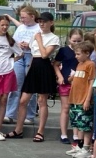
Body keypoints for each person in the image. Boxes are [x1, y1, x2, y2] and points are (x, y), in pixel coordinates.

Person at [6, 12, 60, 142]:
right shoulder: (35, 35)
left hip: (44, 67)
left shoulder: (54, 38)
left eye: (44, 21)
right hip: (33, 65)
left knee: (42, 101)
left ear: (51, 23)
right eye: (40, 21)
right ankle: (18, 130)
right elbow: (31, 51)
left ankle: (40, 131)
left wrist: (39, 39)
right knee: (23, 100)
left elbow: (44, 55)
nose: (42, 24)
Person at [4, 6, 40, 124]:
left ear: (32, 17)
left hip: (32, 56)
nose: (22, 19)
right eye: (21, 17)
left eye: (24, 17)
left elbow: (41, 44)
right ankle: (10, 114)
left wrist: (30, 46)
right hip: (20, 56)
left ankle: (29, 115)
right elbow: (13, 41)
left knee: (31, 86)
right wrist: (18, 44)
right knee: (16, 85)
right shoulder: (21, 28)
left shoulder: (38, 28)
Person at [66, 42, 96, 158]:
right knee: (78, 124)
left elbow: (91, 82)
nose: (76, 56)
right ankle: (79, 145)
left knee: (85, 125)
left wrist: (87, 100)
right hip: (75, 99)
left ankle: (86, 147)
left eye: (78, 54)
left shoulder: (90, 65)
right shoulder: (80, 65)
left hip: (83, 100)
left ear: (87, 53)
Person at [54, 29, 84, 145]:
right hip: (65, 83)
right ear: (69, 39)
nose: (76, 43)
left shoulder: (84, 51)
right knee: (65, 108)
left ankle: (76, 135)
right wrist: (60, 76)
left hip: (79, 84)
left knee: (76, 109)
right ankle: (64, 134)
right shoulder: (64, 50)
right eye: (74, 40)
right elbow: (56, 64)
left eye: (79, 41)